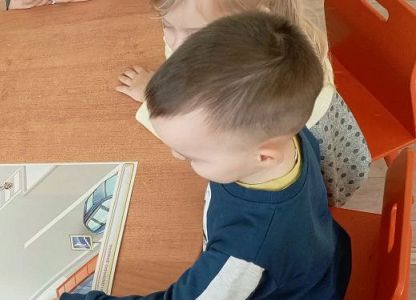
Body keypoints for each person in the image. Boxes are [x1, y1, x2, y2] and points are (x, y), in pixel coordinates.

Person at [27, 13, 351, 300]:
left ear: (264, 155)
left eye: (196, 155)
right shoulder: (286, 133)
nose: (178, 157)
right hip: (321, 262)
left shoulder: (245, 249)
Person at [115, 0, 369, 206]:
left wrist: (151, 100)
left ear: (255, 21)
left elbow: (202, 137)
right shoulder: (236, 45)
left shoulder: (259, 85)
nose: (178, 45)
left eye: (196, 34)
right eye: (167, 25)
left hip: (301, 158)